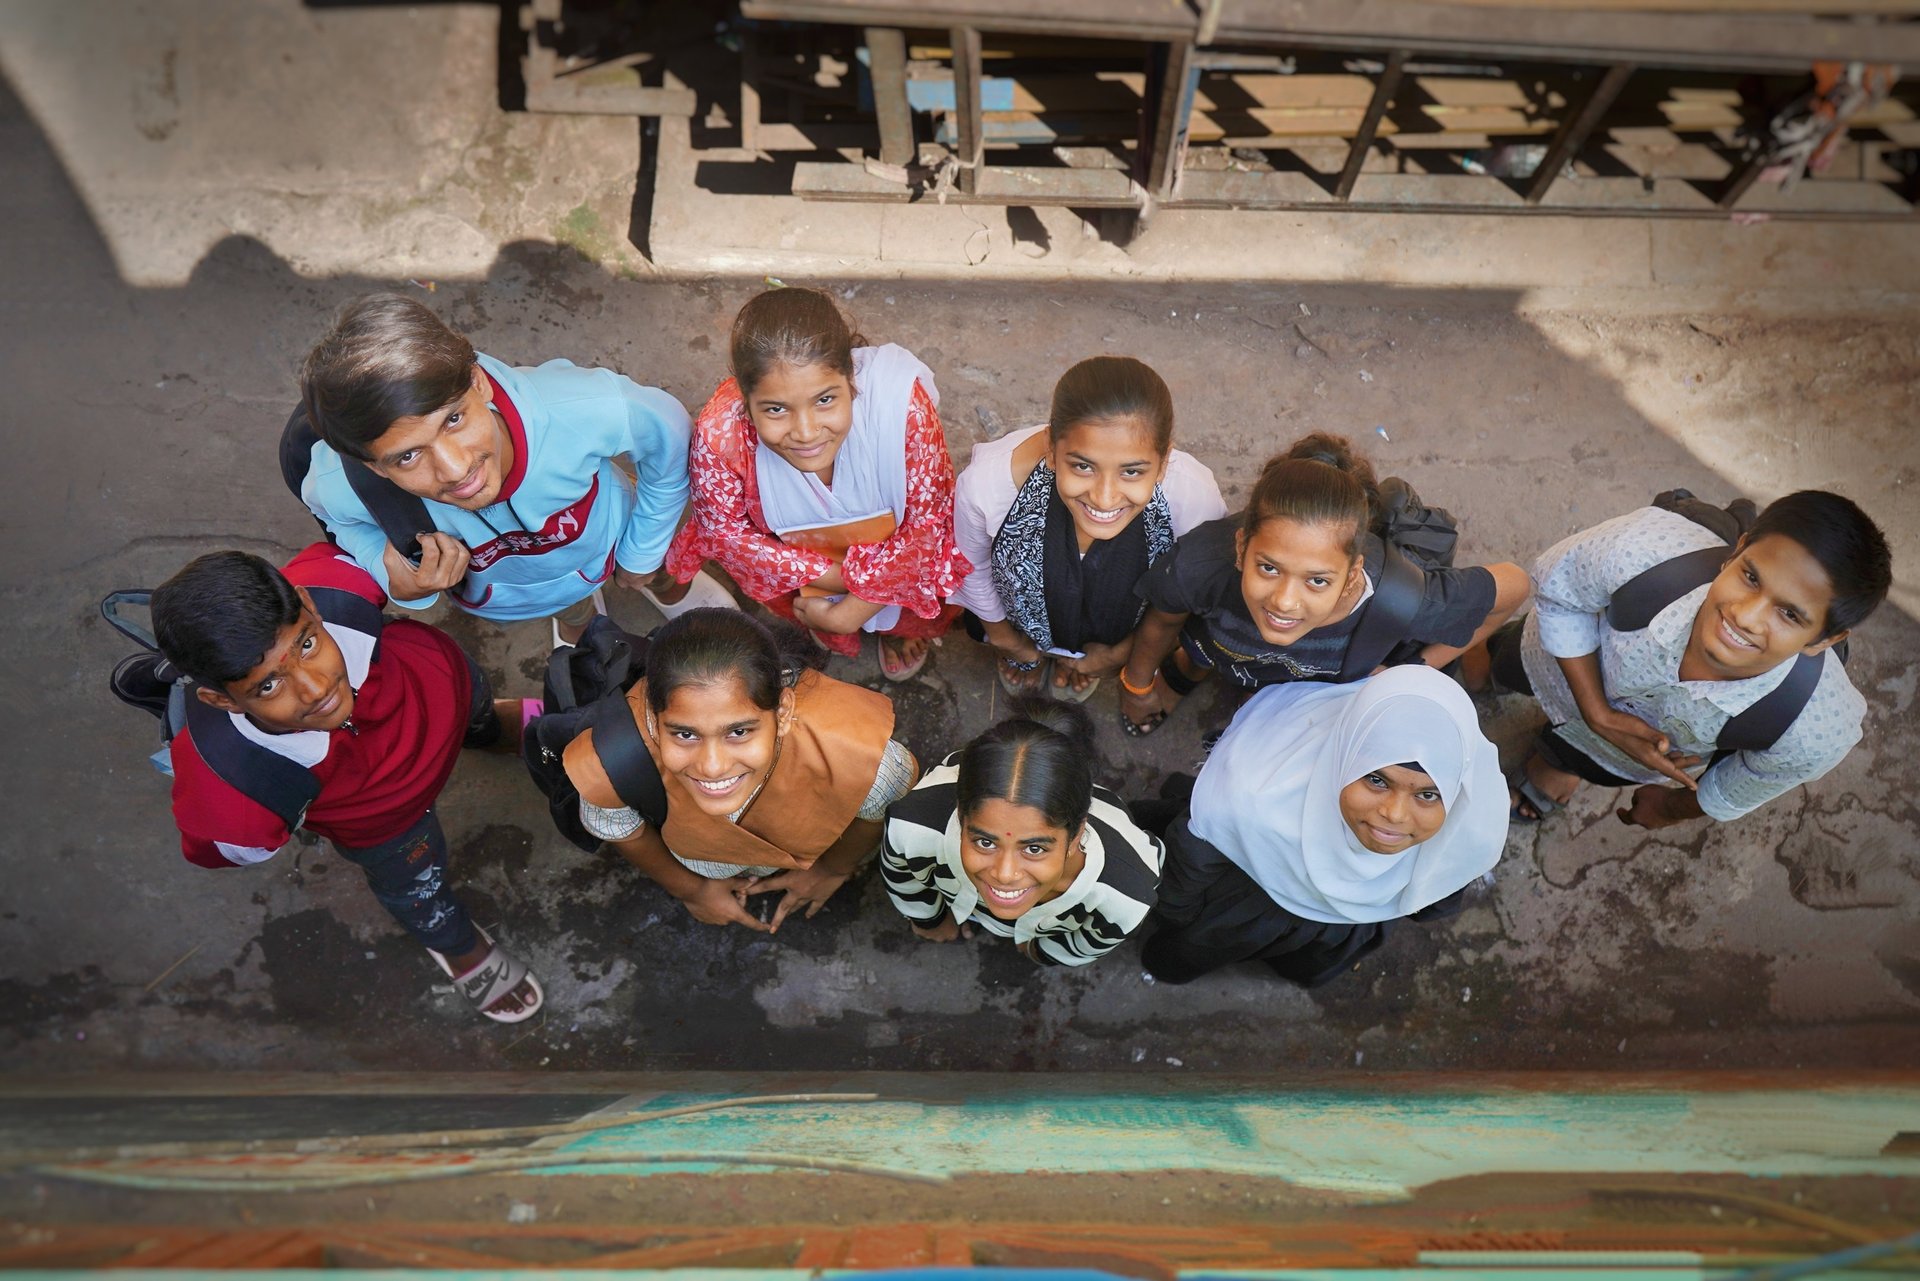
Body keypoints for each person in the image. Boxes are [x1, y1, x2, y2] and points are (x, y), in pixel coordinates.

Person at [151, 543, 544, 1023]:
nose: (316, 688)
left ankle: (491, 730)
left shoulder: (336, 584)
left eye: (307, 644)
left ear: (309, 604)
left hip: (452, 686)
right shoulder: (234, 780)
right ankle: (456, 944)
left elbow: (352, 555)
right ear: (221, 701)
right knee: (418, 885)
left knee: (477, 706)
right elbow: (223, 845)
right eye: (268, 686)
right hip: (392, 829)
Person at [296, 293, 734, 646]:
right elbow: (336, 518)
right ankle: (580, 623)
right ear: (373, 467)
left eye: (454, 419)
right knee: (572, 611)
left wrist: (643, 550)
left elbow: (670, 437)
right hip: (513, 592)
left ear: (479, 382)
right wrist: (392, 573)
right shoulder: (338, 482)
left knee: (657, 570)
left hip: (613, 537)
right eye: (407, 457)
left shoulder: (582, 409)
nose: (455, 469)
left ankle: (666, 586)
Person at [1478, 491, 1890, 829]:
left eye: (1789, 614)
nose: (1745, 616)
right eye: (1750, 576)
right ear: (1739, 549)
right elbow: (1562, 596)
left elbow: (1747, 782)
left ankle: (1562, 761)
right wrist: (1598, 713)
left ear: (1824, 640)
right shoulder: (1640, 550)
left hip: (1622, 758)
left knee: (1590, 760)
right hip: (1553, 663)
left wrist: (1671, 808)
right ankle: (1484, 663)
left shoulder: (1813, 730)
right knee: (1509, 659)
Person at [1118, 432, 1531, 736]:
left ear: (1352, 575)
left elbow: (1515, 585)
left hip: (1311, 680)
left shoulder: (1402, 600)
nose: (1284, 601)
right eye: (1268, 568)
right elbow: (1163, 622)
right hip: (1223, 647)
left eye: (1317, 580)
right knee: (1207, 644)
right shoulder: (1200, 562)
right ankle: (1195, 666)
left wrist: (1402, 672)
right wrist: (1136, 686)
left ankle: (1249, 690)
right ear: (1242, 548)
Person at [661, 286, 970, 681]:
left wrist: (856, 607)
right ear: (744, 399)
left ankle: (891, 631)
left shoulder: (901, 406)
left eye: (825, 400)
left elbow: (928, 525)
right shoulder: (721, 436)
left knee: (902, 615)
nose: (806, 433)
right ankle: (845, 623)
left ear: (851, 378)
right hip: (802, 572)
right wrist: (841, 582)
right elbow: (728, 535)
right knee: (813, 611)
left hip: (894, 563)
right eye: (776, 409)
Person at [1142, 666, 1507, 987]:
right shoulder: (1251, 799)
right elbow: (1186, 869)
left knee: (1307, 958)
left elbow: (1435, 896)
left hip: (1332, 928)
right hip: (1243, 899)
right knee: (1196, 948)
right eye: (1377, 781)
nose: (1395, 815)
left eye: (1429, 795)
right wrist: (1180, 918)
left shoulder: (1468, 825)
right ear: (1342, 756)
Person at [563, 609, 919, 932]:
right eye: (685, 734)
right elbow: (620, 828)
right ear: (653, 721)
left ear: (782, 713)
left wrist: (832, 869)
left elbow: (879, 805)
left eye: (738, 732)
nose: (713, 766)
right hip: (702, 860)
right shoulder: (612, 763)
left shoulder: (856, 753)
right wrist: (693, 890)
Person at [950, 355, 1226, 701]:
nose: (1105, 498)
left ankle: (1075, 661)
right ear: (1051, 450)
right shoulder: (987, 489)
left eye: (1132, 472)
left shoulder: (1194, 500)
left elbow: (1183, 593)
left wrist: (1118, 654)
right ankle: (1035, 656)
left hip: (1115, 630)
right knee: (1022, 646)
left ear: (1164, 461)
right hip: (1019, 624)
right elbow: (971, 566)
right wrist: (1007, 639)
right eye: (1082, 466)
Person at [881, 700, 1163, 966]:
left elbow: (1085, 945)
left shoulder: (1126, 897)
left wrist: (1038, 950)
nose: (1005, 874)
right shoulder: (911, 827)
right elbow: (903, 880)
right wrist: (929, 921)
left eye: (1034, 848)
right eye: (984, 842)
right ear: (961, 815)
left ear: (1076, 836)